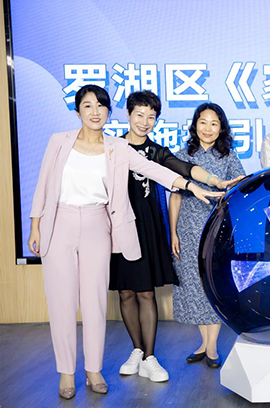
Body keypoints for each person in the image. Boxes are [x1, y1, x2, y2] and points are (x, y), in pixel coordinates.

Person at [27, 85, 220, 399]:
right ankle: (66, 372)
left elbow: (154, 169)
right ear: (78, 111)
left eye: (101, 106)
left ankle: (93, 370)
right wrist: (35, 225)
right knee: (62, 302)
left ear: (108, 112)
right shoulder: (58, 141)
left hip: (96, 225)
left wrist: (191, 186)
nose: (95, 112)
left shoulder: (117, 147)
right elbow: (43, 184)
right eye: (88, 106)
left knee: (95, 303)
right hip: (59, 222)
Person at [110, 91, 241, 383]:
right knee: (127, 291)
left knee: (151, 291)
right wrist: (175, 230)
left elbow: (183, 173)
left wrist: (212, 182)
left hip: (154, 226)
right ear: (128, 114)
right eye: (139, 115)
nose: (145, 121)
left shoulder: (160, 152)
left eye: (151, 117)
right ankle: (138, 352)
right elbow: (177, 190)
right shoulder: (112, 147)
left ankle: (153, 356)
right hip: (121, 225)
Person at [170, 102, 246, 369]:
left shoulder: (229, 156)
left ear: (221, 127)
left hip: (218, 229)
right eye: (203, 122)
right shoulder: (181, 156)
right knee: (193, 284)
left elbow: (240, 188)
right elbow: (175, 197)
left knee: (214, 283)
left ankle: (212, 346)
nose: (208, 128)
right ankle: (204, 343)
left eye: (214, 123)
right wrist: (173, 233)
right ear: (195, 125)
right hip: (188, 228)